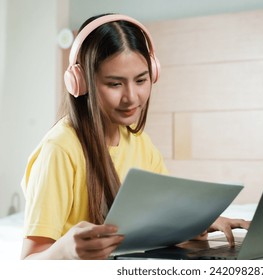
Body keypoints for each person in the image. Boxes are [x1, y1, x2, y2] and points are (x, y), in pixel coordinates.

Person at [20, 14, 250, 260]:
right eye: (115, 84)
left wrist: (200, 223)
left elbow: (160, 221)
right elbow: (29, 262)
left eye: (141, 80)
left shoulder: (140, 143)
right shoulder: (61, 149)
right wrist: (65, 251)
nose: (131, 97)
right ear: (81, 82)